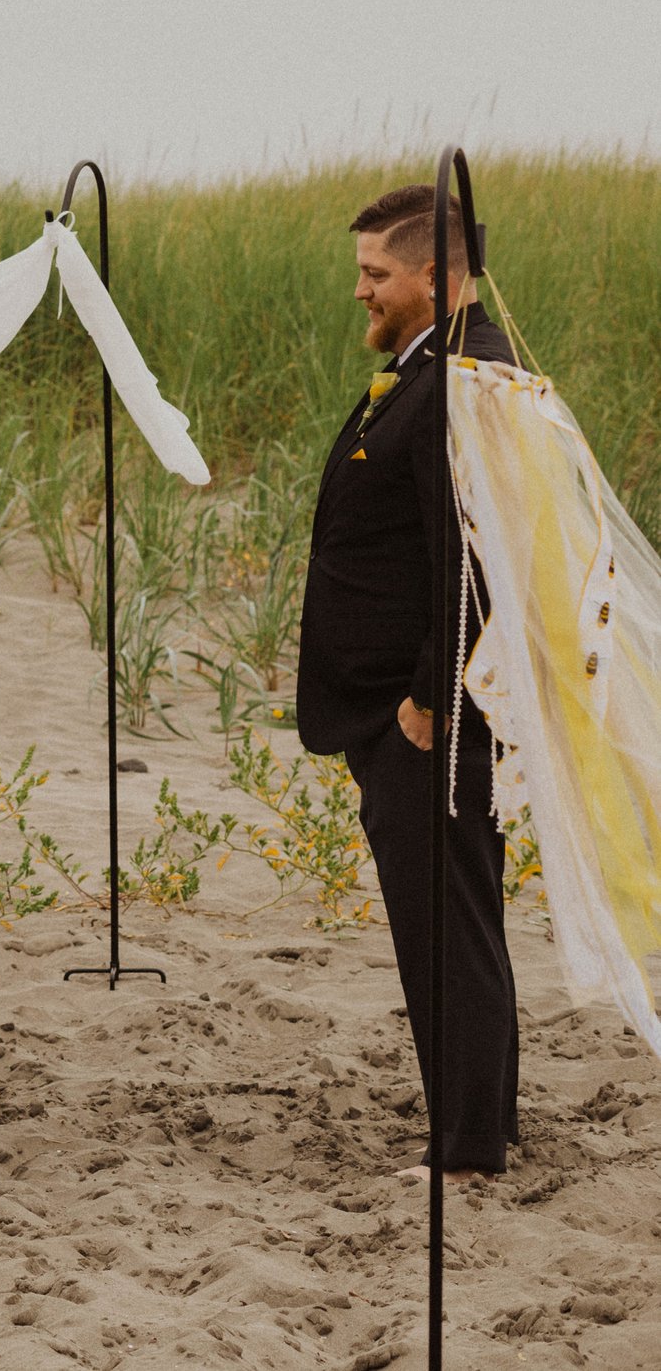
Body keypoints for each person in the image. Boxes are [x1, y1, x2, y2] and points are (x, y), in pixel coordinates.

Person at [297, 184, 519, 1181]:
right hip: (396, 707)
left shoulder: (464, 379)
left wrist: (428, 703)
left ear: (434, 277)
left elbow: (474, 558)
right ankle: (484, 1121)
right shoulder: (425, 366)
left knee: (445, 925)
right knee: (453, 918)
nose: (360, 292)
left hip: (430, 715)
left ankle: (468, 1147)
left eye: (375, 275)